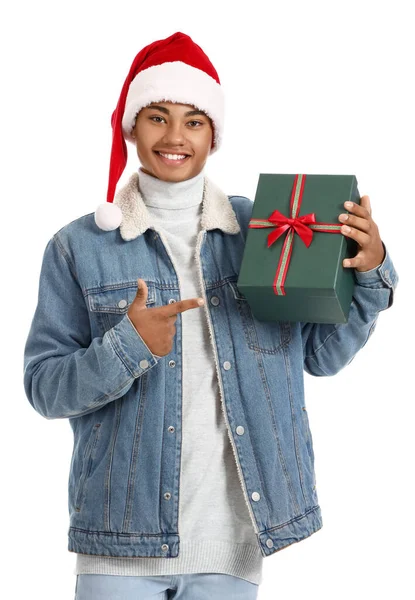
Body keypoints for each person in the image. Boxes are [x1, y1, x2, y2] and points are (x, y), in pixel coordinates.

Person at [23, 31, 398, 600]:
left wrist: (367, 274)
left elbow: (320, 357)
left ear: (214, 134)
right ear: (131, 126)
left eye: (194, 120)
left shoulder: (267, 233)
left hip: (233, 545)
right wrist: (128, 345)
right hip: (118, 542)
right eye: (157, 117)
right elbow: (45, 388)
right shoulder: (77, 247)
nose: (175, 137)